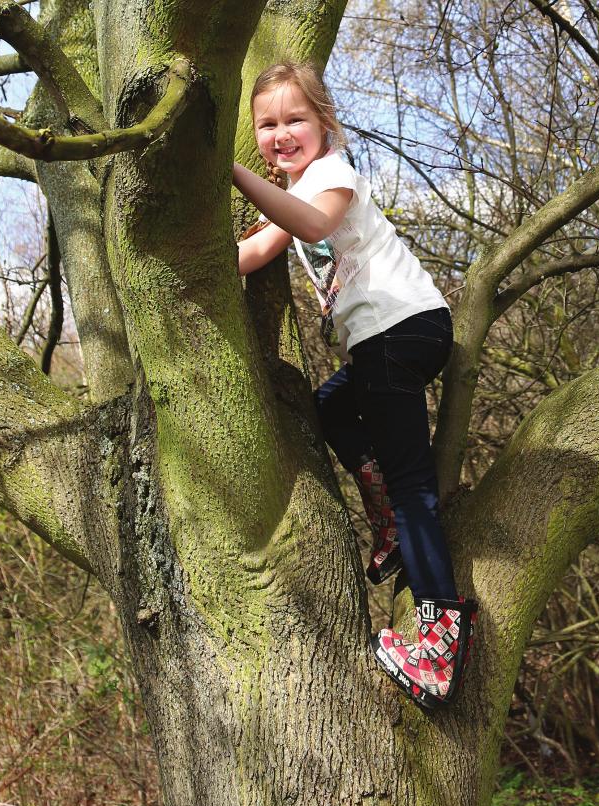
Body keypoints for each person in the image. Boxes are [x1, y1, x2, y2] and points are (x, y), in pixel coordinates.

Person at [233, 62, 477, 710]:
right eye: (267, 124)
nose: (281, 133)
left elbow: (312, 226)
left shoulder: (332, 174)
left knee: (413, 481)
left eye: (295, 120)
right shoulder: (299, 192)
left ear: (324, 125)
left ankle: (440, 639)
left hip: (401, 328)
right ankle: (390, 521)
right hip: (381, 344)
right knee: (331, 407)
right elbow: (255, 251)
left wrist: (231, 173)